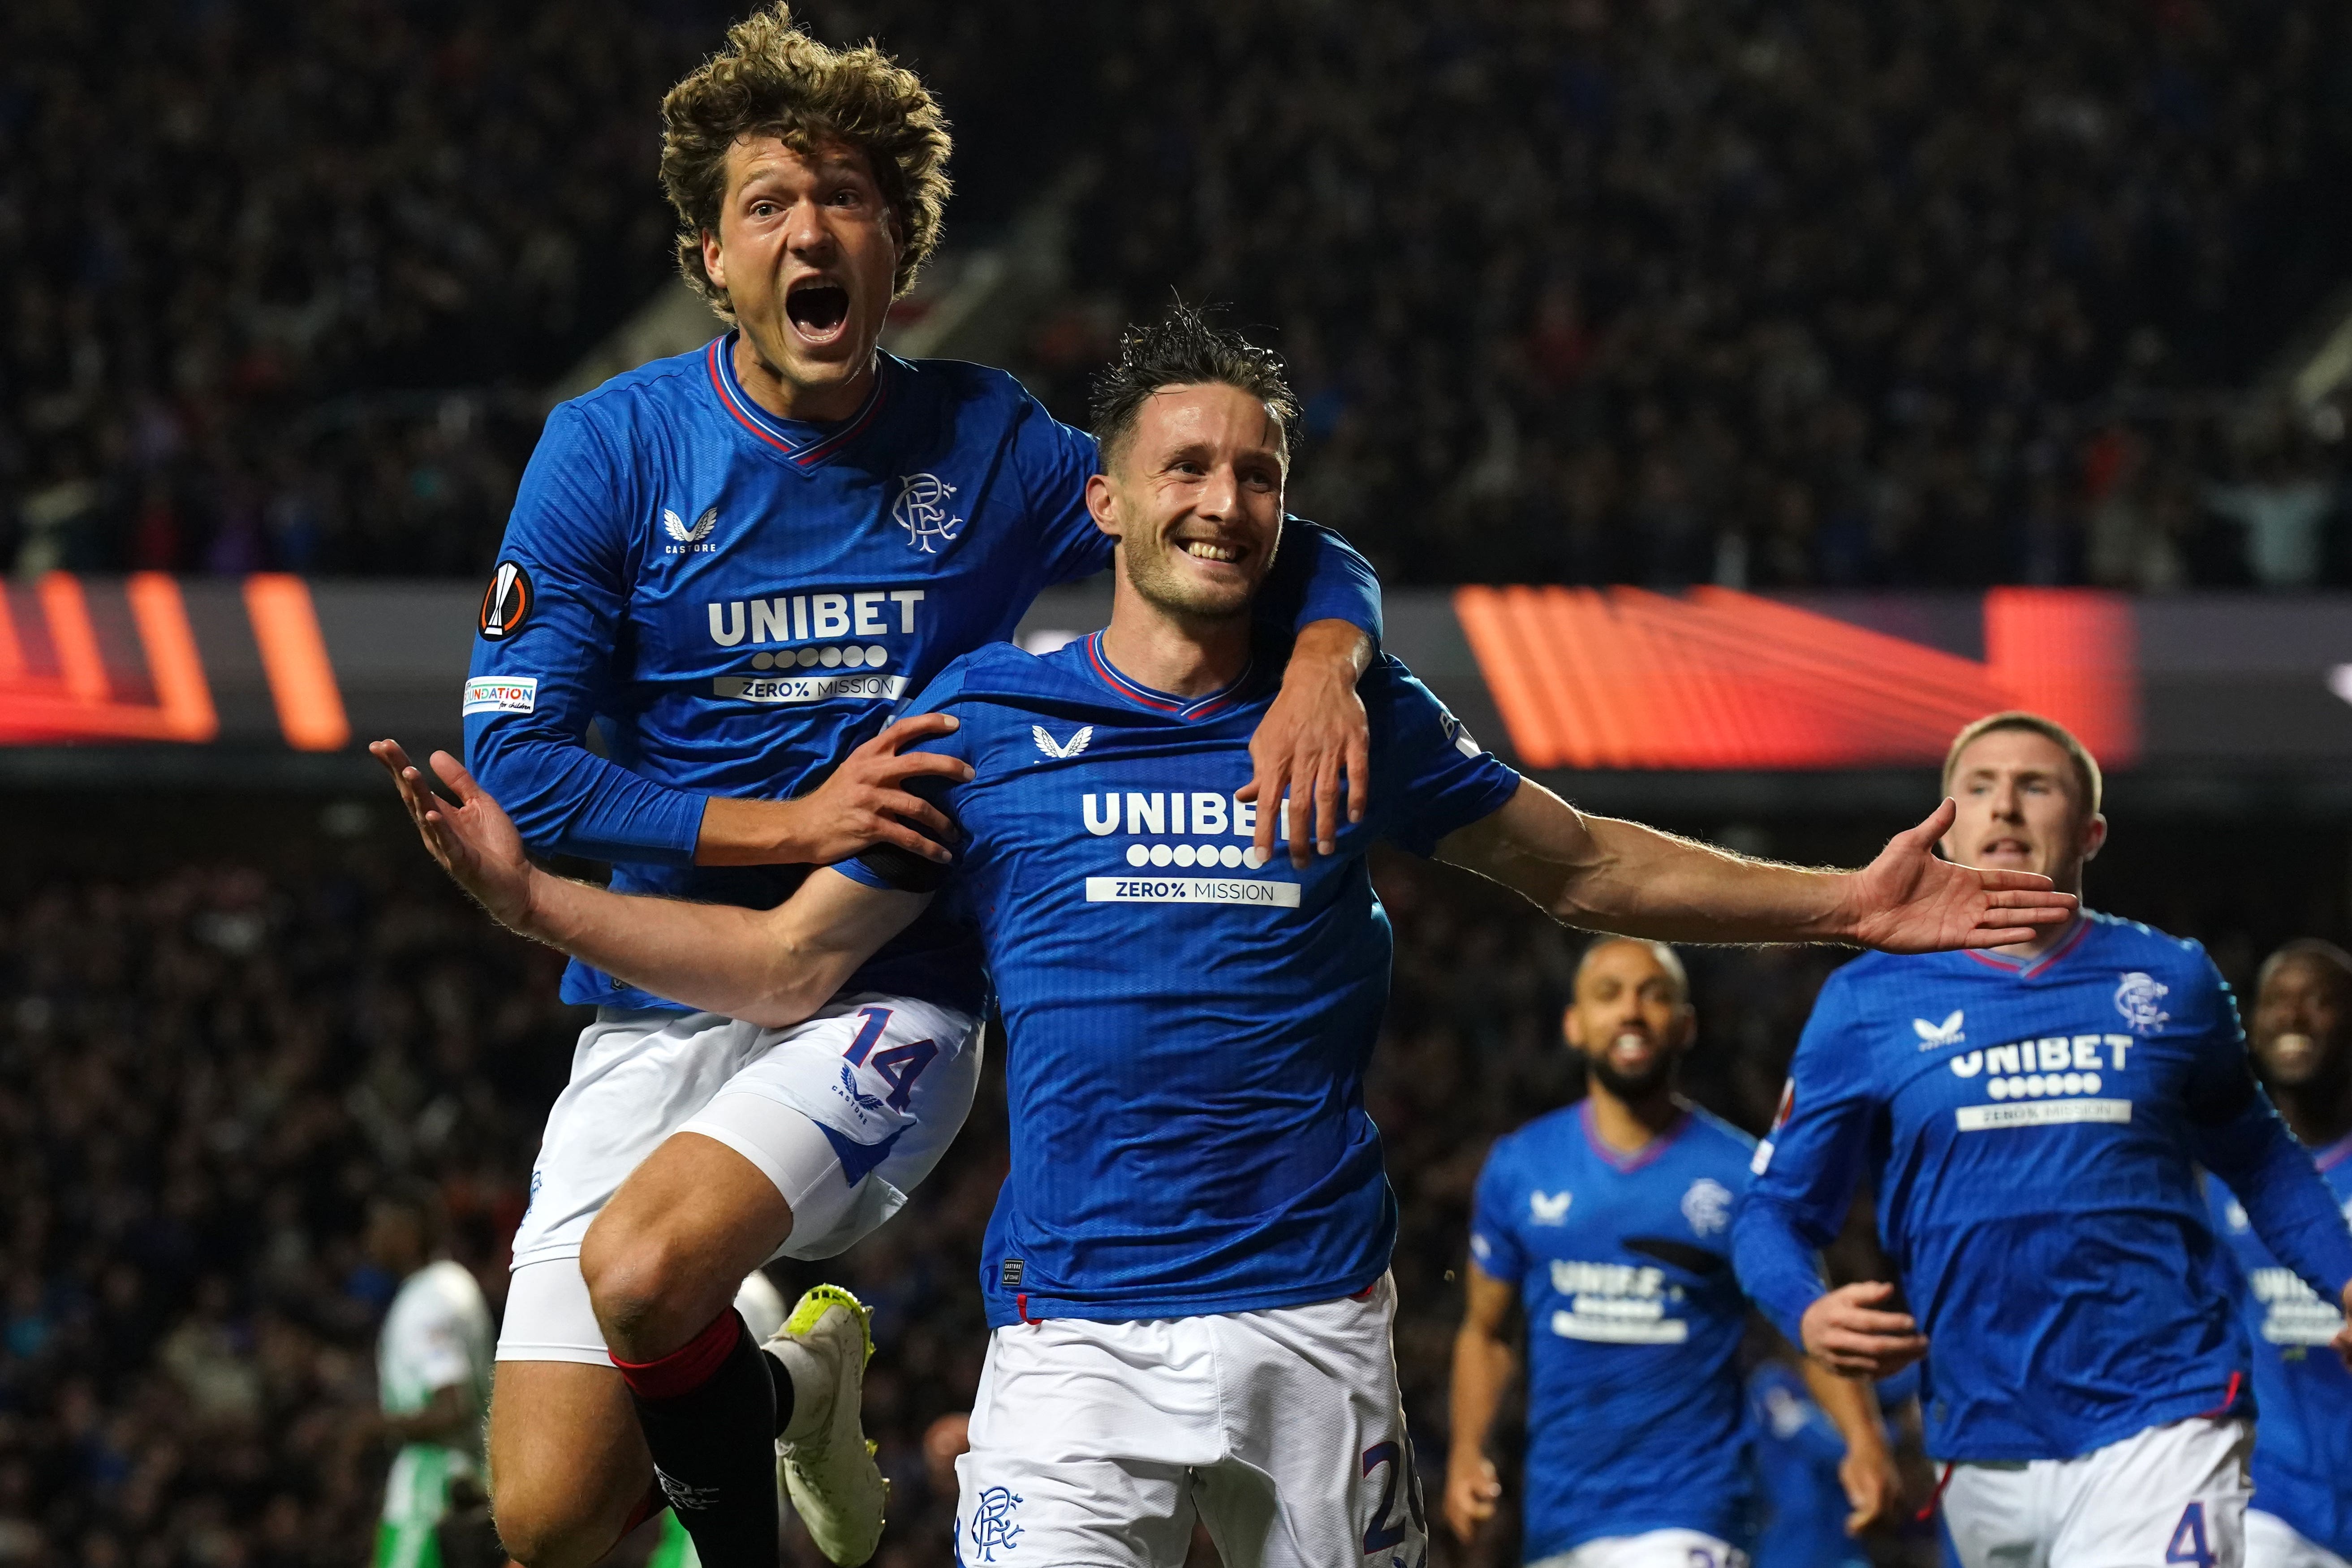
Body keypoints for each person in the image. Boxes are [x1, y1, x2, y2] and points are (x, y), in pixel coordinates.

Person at [377, 306, 2074, 1568]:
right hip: (1067, 1348)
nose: (1225, 496)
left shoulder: (1351, 715)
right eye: (1185, 465)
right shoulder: (982, 722)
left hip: (1311, 1334)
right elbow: (792, 968)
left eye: (1258, 471)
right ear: (1098, 505)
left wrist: (1851, 902)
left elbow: (1587, 869)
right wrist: (538, 905)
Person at [455, 10, 1385, 1568]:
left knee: (651, 1263)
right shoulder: (607, 449)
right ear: (712, 255)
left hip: (889, 986)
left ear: (901, 247)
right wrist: (786, 822)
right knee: (548, 1523)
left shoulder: (993, 439)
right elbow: (519, 769)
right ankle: (790, 1387)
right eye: (769, 202)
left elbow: (1249, 528)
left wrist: (1324, 659)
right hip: (657, 996)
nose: (810, 229)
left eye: (848, 198)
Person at [1732, 713, 2352, 1568]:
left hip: (2167, 1412)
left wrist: (2346, 1279)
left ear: (2091, 830)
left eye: (2038, 786)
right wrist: (1803, 1310)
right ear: (1947, 820)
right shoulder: (1865, 1001)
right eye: (1980, 787)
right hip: (1979, 1433)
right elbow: (1774, 1210)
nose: (2007, 809)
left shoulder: (2170, 979)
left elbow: (2260, 1158)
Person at [1446, 938, 1899, 1568]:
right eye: (1608, 995)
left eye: (1652, 994)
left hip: (1694, 1512)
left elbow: (1805, 1321)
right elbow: (1485, 1332)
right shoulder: (1520, 1166)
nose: (1630, 1011)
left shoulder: (1740, 1175)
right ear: (1574, 1026)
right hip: (1559, 1521)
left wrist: (1862, 1439)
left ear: (1685, 1026)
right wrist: (1467, 1453)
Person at [2207, 941, 2352, 1568]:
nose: (2293, 1017)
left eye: (2318, 1001)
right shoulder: (2209, 1178)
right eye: (2276, 1002)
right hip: (2274, 1496)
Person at [365, 1185, 495, 1568]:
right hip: (466, 1477)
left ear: (407, 1232)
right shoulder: (452, 1284)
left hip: (433, 1487)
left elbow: (452, 1405)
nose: (369, 1238)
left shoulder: (429, 1301)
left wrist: (371, 1427)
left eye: (378, 1226)